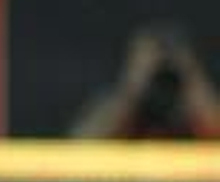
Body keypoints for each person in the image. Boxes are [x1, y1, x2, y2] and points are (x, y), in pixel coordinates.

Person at [71, 23, 220, 139]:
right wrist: (133, 87)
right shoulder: (121, 107)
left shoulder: (191, 108)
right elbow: (80, 149)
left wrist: (188, 75)